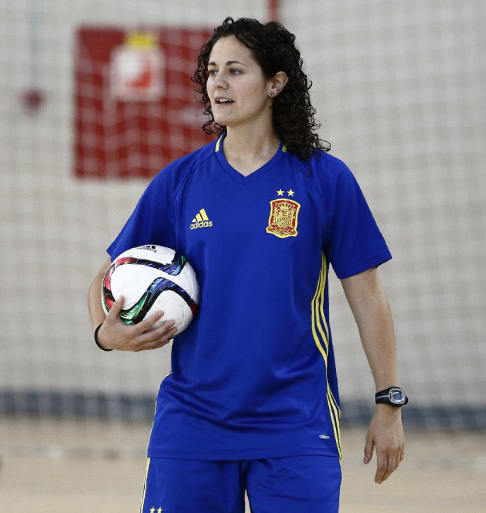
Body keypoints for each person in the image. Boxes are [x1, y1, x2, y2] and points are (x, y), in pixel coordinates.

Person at [86, 17, 406, 512]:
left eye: (235, 70)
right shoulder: (180, 182)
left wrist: (388, 402)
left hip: (295, 422)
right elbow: (104, 279)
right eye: (212, 70)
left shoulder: (324, 179)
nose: (217, 82)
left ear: (275, 83)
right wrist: (105, 334)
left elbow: (366, 294)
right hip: (192, 424)